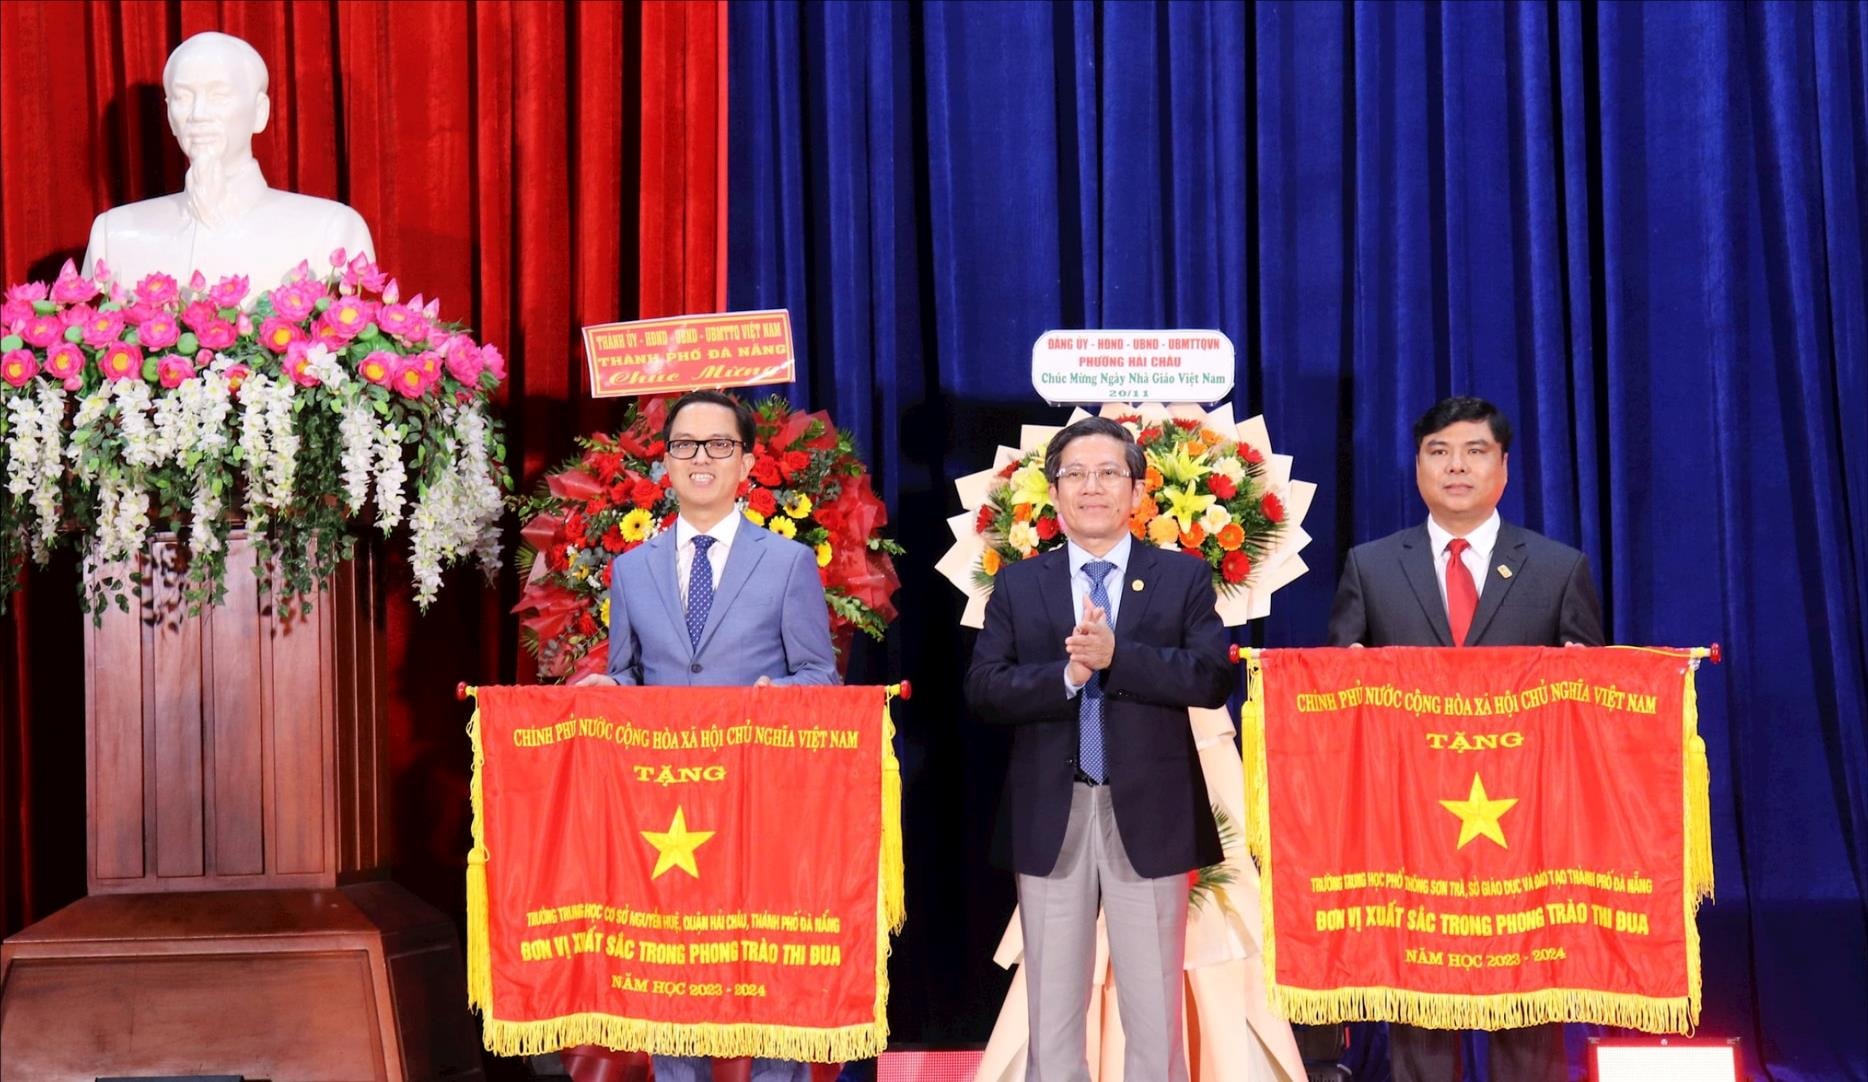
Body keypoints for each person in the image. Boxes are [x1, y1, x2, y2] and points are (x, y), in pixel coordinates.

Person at [1327, 395, 1604, 1082]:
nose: (1457, 466)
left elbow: (1592, 705)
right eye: (1439, 451)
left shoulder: (1556, 567)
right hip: (1409, 833)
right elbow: (1336, 699)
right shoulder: (1371, 565)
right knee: (1419, 1016)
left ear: (1503, 468)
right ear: (1418, 467)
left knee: (1528, 1016)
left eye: (1475, 451)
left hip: (1524, 833)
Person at [965, 416, 1234, 1082]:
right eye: (1076, 474)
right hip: (1051, 814)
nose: (1092, 487)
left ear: (1138, 491)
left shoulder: (1183, 578)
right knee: (1051, 1011)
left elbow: (1210, 678)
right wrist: (1067, 677)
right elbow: (984, 688)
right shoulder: (1021, 583)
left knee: (1154, 1013)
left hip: (1152, 812)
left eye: (1109, 473)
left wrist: (1119, 659)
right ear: (1053, 493)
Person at [581, 389, 837, 1082]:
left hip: (763, 809)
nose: (702, 459)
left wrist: (773, 698)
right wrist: (610, 693)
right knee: (674, 973)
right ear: (665, 462)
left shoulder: (787, 564)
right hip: (670, 812)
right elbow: (628, 678)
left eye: (719, 445)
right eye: (687, 445)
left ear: (747, 461)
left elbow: (821, 679)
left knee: (768, 975)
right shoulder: (631, 570)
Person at [81, 31, 374, 292]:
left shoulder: (330, 228)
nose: (198, 114)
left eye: (218, 96)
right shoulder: (114, 234)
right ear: (170, 115)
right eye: (183, 98)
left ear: (260, 111)